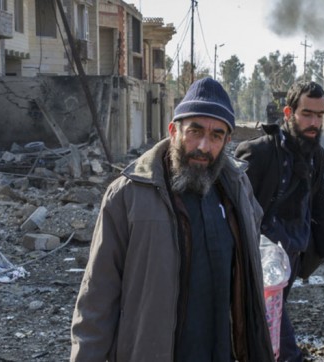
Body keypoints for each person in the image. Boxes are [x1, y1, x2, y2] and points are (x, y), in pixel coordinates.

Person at [70, 78, 274, 361]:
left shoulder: (237, 190)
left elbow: (250, 277)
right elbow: (97, 295)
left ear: (227, 141)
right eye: (195, 131)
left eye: (216, 135)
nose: (203, 145)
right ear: (173, 131)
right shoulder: (128, 195)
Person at [235, 81, 324, 362]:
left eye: (320, 115)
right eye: (307, 114)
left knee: (267, 329)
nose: (314, 122)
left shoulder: (317, 155)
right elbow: (237, 209)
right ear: (289, 112)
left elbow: (318, 205)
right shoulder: (259, 152)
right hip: (261, 261)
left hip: (293, 254)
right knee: (279, 338)